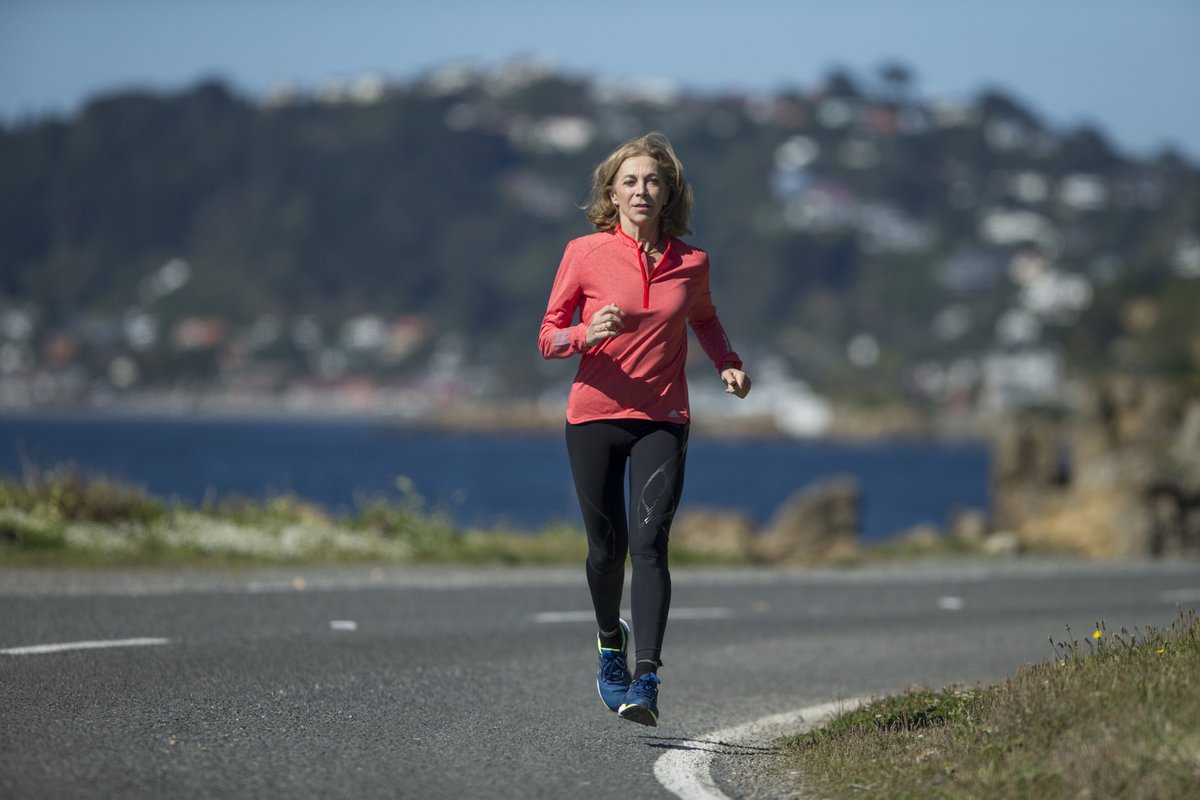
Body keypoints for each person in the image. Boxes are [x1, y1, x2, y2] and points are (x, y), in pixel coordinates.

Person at [538, 132, 751, 726]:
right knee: (606, 552)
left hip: (663, 417)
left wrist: (728, 363)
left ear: (668, 193)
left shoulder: (693, 262)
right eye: (629, 181)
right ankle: (612, 642)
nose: (641, 190)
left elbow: (704, 319)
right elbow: (548, 336)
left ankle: (647, 678)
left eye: (652, 180)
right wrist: (586, 333)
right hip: (594, 415)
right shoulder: (584, 253)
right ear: (612, 191)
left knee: (650, 545)